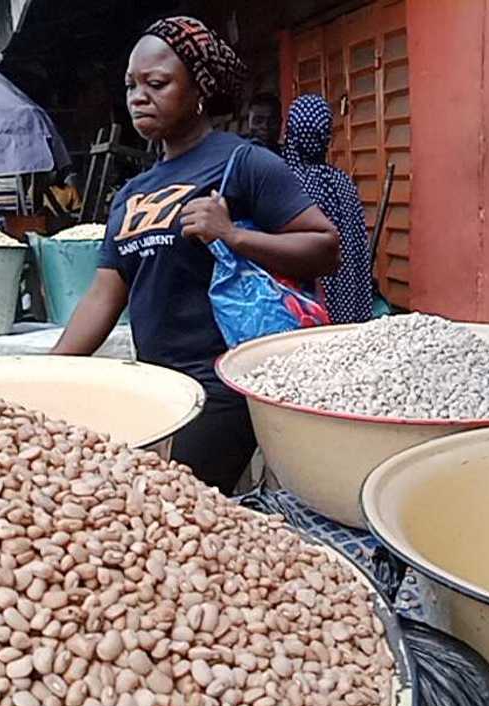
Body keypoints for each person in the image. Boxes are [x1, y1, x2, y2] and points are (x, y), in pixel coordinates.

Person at [52, 16, 339, 493]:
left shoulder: (242, 163)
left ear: (199, 89)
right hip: (157, 387)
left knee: (172, 503)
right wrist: (46, 370)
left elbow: (325, 247)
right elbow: (106, 293)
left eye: (157, 83)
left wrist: (232, 235)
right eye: (131, 85)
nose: (138, 97)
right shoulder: (131, 194)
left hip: (224, 387)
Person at [283, 95, 374, 324]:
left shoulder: (286, 183)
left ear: (290, 132)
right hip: (348, 299)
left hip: (306, 305)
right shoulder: (342, 182)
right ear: (326, 137)